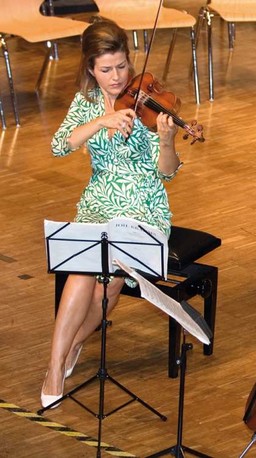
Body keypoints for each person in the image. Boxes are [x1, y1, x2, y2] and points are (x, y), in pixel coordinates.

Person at [41, 19, 182, 409]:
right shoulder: (85, 103)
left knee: (110, 288)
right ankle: (55, 365)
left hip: (145, 204)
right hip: (99, 200)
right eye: (106, 69)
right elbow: (58, 146)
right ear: (91, 68)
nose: (117, 77)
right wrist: (100, 120)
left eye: (121, 66)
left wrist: (167, 140)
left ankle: (72, 346)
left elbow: (166, 171)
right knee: (83, 269)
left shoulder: (151, 100)